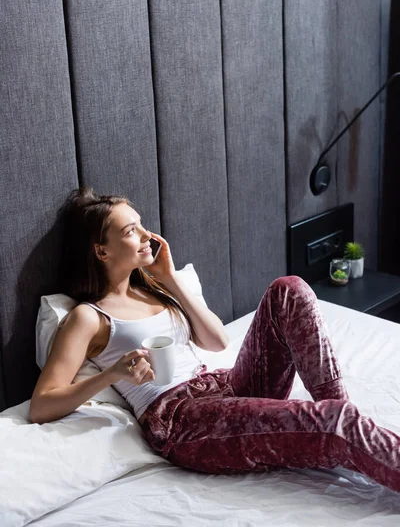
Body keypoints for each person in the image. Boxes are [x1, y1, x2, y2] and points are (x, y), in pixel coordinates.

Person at [30, 186, 400, 494]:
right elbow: (42, 405)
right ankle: (341, 428)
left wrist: (171, 278)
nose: (147, 236)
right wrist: (113, 374)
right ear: (101, 250)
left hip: (222, 386)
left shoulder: (155, 290)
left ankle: (348, 429)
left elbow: (217, 341)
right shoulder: (89, 316)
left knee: (289, 289)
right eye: (131, 231)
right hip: (182, 418)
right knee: (332, 421)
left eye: (142, 225)